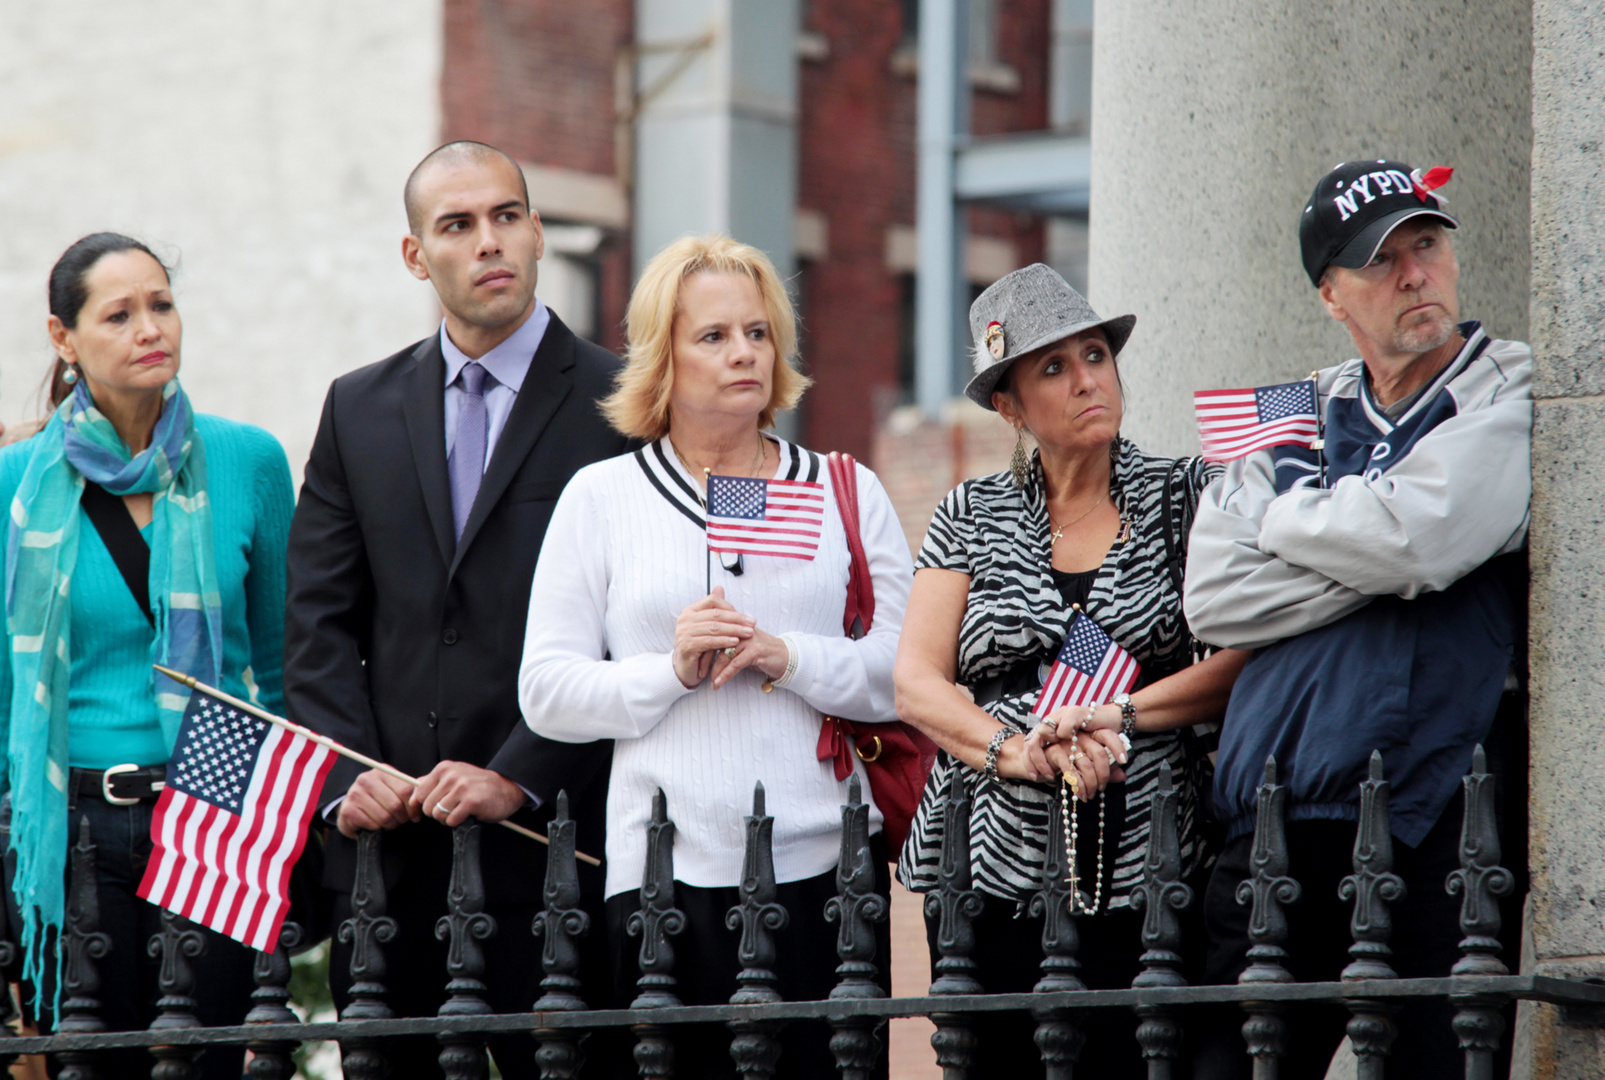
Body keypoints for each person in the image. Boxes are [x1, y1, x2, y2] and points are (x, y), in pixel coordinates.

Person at [518, 233, 909, 1080]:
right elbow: (545, 690)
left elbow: (902, 674)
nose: (745, 353)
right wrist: (670, 668)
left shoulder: (845, 486)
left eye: (758, 332)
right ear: (663, 357)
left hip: (824, 871)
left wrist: (789, 655)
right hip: (662, 878)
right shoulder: (604, 497)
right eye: (714, 336)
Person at [283, 141, 630, 1079]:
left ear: (537, 231)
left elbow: (631, 631)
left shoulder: (623, 401)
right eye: (459, 225)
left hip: (557, 846)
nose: (490, 242)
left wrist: (515, 775)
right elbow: (317, 626)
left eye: (507, 217)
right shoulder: (356, 409)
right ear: (415, 255)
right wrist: (352, 778)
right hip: (390, 859)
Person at [1184, 160, 1532, 1078]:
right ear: (1331, 294)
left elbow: (1415, 542)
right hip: (1271, 820)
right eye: (1383, 261)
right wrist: (1380, 558)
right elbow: (1213, 594)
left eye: (1427, 244)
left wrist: (1284, 523)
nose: (1415, 273)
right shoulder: (1298, 406)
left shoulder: (1506, 389)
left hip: (1439, 820)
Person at [894, 263, 1249, 1079]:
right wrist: (1012, 749)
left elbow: (1241, 657)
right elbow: (916, 680)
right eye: (1053, 367)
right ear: (1009, 407)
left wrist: (1118, 715)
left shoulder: (1184, 494)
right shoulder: (968, 512)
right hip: (988, 852)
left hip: (1151, 850)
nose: (1086, 379)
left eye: (1095, 355)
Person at [0, 233, 293, 1079]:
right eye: (118, 313)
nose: (148, 327)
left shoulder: (249, 460)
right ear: (64, 337)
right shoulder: (17, 481)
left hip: (216, 810)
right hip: (75, 825)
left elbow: (274, 666)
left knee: (215, 1062)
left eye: (161, 304)